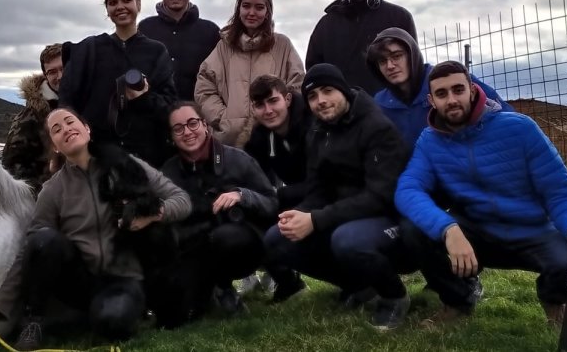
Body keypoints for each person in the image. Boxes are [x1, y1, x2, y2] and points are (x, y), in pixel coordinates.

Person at [396, 61, 567, 328]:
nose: (451, 99)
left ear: (472, 91)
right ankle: (458, 301)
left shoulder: (520, 128)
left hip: (531, 232)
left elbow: (559, 190)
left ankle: (553, 299)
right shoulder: (429, 140)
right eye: (441, 94)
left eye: (458, 89)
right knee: (413, 229)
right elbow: (408, 188)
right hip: (477, 233)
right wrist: (448, 229)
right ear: (431, 100)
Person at [9, 106, 192, 349]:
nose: (66, 129)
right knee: (44, 239)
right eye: (56, 129)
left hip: (123, 277)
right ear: (55, 146)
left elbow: (182, 201)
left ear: (86, 128)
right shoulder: (52, 190)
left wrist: (152, 215)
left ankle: (122, 308)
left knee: (112, 324)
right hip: (80, 279)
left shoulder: (126, 164)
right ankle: (33, 322)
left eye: (70, 122)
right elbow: (31, 249)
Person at [263, 64, 414, 333]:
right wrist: (301, 213)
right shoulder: (319, 130)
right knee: (277, 237)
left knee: (347, 240)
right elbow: (318, 188)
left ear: (343, 90)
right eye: (312, 96)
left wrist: (317, 219)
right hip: (345, 216)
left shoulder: (376, 128)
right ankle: (360, 286)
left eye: (328, 91)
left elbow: (380, 196)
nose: (320, 101)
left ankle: (393, 296)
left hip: (389, 217)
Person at [154, 102, 277, 327]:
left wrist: (242, 195)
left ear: (206, 126)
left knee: (225, 238)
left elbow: (272, 203)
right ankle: (209, 292)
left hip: (241, 245)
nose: (187, 132)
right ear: (172, 136)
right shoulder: (168, 172)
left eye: (192, 123)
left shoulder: (238, 159)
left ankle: (225, 285)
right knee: (176, 318)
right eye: (178, 128)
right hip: (194, 249)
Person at [59, 0, 178, 167]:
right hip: (96, 158)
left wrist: (143, 98)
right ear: (107, 10)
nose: (120, 6)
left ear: (138, 3)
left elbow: (170, 107)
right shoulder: (90, 49)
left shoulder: (156, 51)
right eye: (112, 2)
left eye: (127, 0)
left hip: (145, 160)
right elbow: (67, 101)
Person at [195, 0, 304, 148]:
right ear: (239, 9)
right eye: (246, 6)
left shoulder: (282, 45)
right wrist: (223, 118)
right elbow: (204, 86)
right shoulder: (224, 47)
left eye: (259, 7)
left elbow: (297, 85)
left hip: (273, 141)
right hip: (229, 143)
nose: (252, 12)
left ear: (267, 12)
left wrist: (279, 116)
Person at [366, 28, 511, 149]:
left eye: (397, 56)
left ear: (412, 55)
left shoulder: (449, 80)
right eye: (382, 61)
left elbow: (504, 117)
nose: (390, 65)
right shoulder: (380, 103)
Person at [305, 0, 416, 96]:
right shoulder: (325, 26)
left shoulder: (400, 17)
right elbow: (315, 72)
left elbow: (413, 65)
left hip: (391, 110)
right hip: (344, 112)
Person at [138, 0, 222, 101]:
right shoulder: (144, 29)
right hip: (154, 117)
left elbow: (220, 80)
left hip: (198, 118)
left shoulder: (211, 32)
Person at [2, 43, 64, 193]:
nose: (60, 76)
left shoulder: (86, 103)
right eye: (52, 72)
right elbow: (11, 167)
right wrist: (46, 193)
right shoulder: (31, 116)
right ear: (45, 75)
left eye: (63, 68)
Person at [243, 74, 311, 211]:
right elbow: (248, 172)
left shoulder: (312, 124)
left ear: (288, 99)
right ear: (253, 109)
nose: (268, 110)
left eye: (273, 101)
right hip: (297, 203)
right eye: (260, 105)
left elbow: (325, 183)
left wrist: (277, 194)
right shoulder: (260, 135)